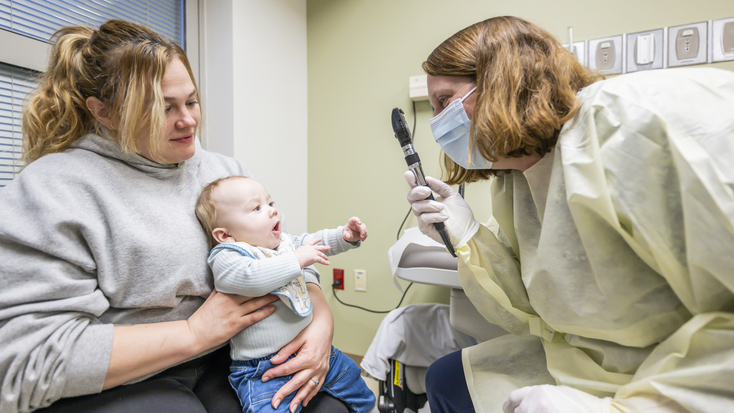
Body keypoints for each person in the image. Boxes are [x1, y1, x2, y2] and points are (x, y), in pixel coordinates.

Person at [0, 20, 350, 413]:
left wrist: (321, 323)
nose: (188, 121)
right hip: (129, 378)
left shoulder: (221, 171)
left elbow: (282, 249)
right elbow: (26, 358)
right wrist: (192, 333)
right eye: (163, 108)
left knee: (328, 406)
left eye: (192, 101)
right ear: (104, 112)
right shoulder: (54, 190)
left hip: (229, 354)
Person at [405, 15, 734, 413]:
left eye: (444, 101)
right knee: (446, 378)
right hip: (593, 361)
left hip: (681, 374)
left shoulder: (627, 123)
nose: (439, 121)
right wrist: (467, 230)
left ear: (500, 80)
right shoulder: (515, 180)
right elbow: (534, 307)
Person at [195, 176, 375, 413]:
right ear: (225, 235)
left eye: (270, 203)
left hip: (313, 350)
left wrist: (344, 236)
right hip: (263, 371)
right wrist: (297, 259)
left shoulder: (283, 245)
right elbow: (251, 278)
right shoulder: (227, 256)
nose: (272, 211)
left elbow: (313, 241)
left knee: (357, 385)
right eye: (256, 208)